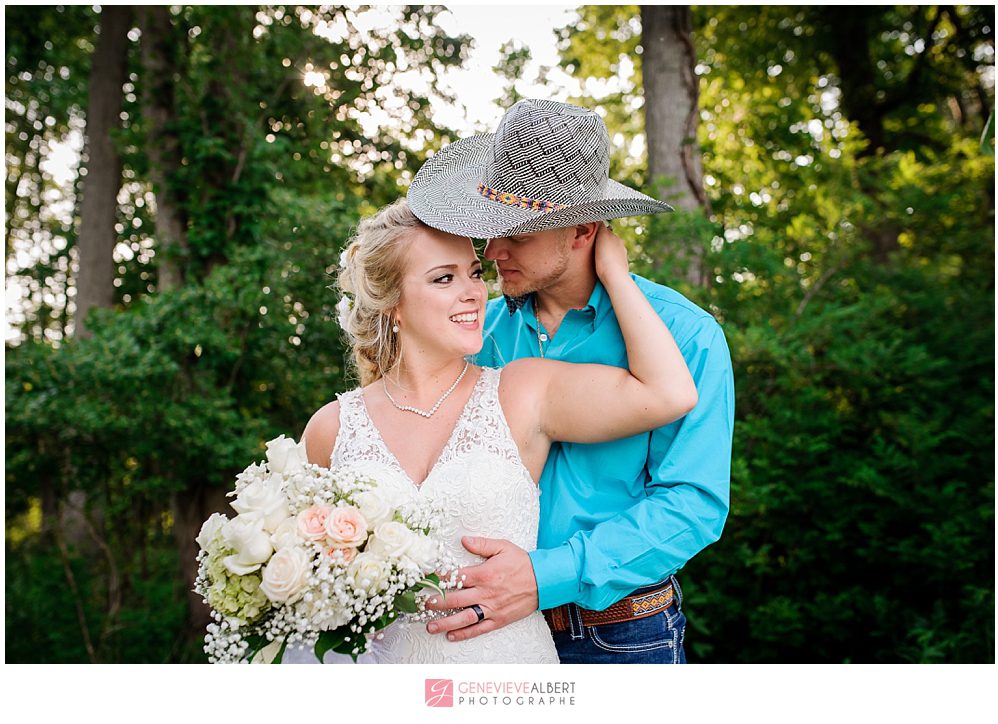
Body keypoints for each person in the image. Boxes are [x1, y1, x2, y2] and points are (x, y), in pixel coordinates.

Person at [288, 196, 696, 664]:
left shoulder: (521, 387)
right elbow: (304, 582)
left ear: (582, 232)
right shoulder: (332, 427)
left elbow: (671, 400)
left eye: (473, 274)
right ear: (392, 304)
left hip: (575, 641)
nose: (476, 291)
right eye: (446, 278)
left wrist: (615, 276)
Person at [407, 98, 735, 663]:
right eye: (492, 229)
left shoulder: (687, 337)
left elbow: (693, 504)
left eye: (519, 234)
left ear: (582, 230)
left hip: (619, 636)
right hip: (481, 634)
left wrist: (545, 574)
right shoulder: (475, 332)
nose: (494, 251)